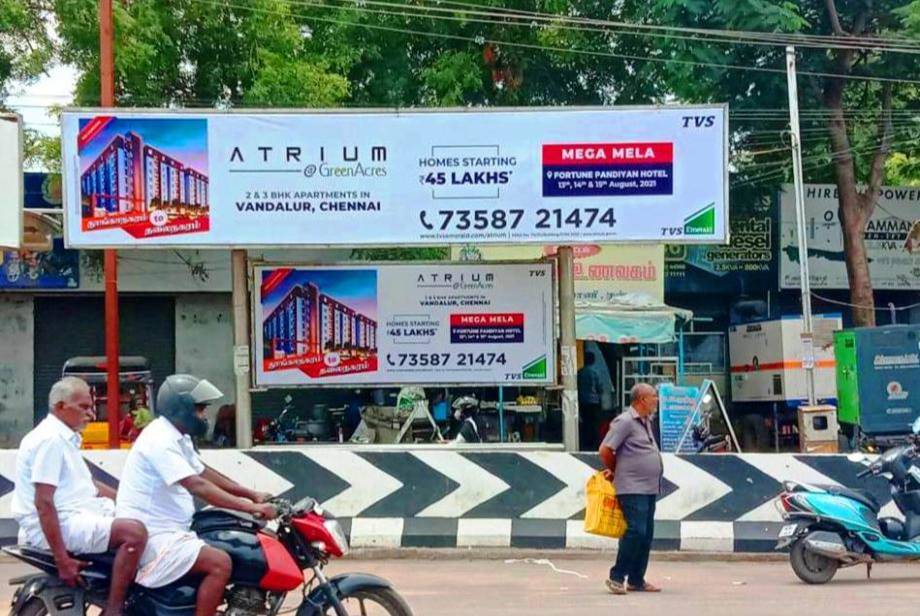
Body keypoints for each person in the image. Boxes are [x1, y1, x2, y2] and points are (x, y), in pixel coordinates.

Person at [116, 374, 276, 616]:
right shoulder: (159, 440)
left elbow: (202, 472)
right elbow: (197, 485)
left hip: (171, 530)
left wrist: (252, 494)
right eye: (200, 409)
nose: (204, 416)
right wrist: (251, 508)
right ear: (181, 409)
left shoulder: (177, 436)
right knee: (220, 563)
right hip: (154, 537)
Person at [11, 377, 147, 616]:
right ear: (60, 406)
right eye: (84, 407)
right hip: (60, 523)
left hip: (76, 515)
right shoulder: (50, 440)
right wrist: (62, 560)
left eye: (91, 407)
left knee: (147, 520)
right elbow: (43, 502)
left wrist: (131, 501)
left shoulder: (64, 438)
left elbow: (89, 485)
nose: (91, 414)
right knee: (134, 534)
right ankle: (115, 610)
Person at [598, 382, 663, 595]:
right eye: (653, 396)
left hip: (649, 487)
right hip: (632, 487)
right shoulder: (625, 421)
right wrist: (616, 470)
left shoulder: (645, 421)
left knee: (646, 534)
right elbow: (605, 450)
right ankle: (617, 576)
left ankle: (636, 579)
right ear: (642, 399)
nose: (657, 400)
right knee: (636, 531)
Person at [577, 351, 603, 451]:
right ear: (593, 360)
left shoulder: (580, 372)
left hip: (583, 401)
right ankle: (594, 443)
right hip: (594, 401)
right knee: (594, 424)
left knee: (585, 422)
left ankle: (585, 442)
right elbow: (599, 388)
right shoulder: (595, 373)